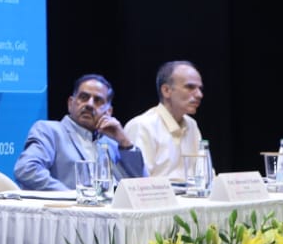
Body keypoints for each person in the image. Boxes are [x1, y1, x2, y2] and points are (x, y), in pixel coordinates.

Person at [13, 74, 146, 190]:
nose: (89, 104)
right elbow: (26, 169)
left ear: (109, 112)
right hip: (70, 215)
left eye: (98, 100)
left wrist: (125, 143)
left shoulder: (113, 144)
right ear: (71, 103)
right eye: (84, 97)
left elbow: (142, 188)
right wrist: (71, 197)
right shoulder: (50, 131)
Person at [123, 60, 205, 178]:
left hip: (190, 196)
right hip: (156, 196)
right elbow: (138, 182)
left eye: (200, 89)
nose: (199, 95)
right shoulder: (142, 125)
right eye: (190, 87)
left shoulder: (192, 124)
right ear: (166, 90)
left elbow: (204, 175)